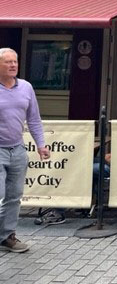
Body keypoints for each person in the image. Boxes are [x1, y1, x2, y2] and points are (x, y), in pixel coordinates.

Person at [0, 48, 50, 253]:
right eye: (7, 62)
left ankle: (7, 236)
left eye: (15, 62)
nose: (13, 65)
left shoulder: (26, 87)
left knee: (14, 195)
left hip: (18, 148)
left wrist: (41, 144)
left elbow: (34, 119)